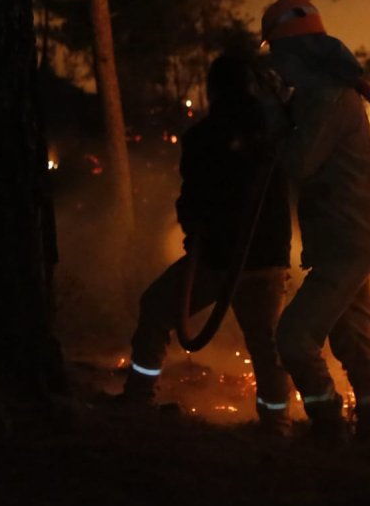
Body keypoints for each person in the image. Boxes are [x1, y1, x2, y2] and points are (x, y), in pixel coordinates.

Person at [118, 51, 293, 435]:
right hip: (262, 259)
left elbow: (194, 197)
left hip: (219, 258)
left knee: (158, 306)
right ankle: (277, 423)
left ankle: (138, 396)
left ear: (213, 91)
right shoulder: (277, 131)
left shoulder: (207, 137)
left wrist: (193, 226)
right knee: (266, 344)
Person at [259, 0, 370, 443]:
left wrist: (273, 120)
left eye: (278, 56)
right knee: (353, 335)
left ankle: (327, 423)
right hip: (345, 235)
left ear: (295, 52)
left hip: (346, 237)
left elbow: (298, 163)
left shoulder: (328, 97)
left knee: (294, 336)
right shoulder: (322, 92)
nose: (277, 66)